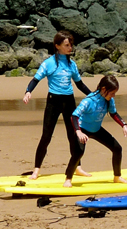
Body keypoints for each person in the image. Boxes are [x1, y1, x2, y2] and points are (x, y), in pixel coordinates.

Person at [23, 31, 92, 180]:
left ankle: (78, 167)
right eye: (67, 45)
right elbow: (35, 79)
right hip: (53, 102)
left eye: (71, 45)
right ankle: (36, 170)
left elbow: (79, 84)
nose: (70, 48)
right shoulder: (49, 63)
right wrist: (28, 91)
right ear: (57, 46)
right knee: (46, 136)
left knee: (73, 135)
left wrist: (93, 95)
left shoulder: (71, 64)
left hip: (69, 102)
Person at [64, 75, 127, 188]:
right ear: (104, 89)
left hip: (96, 129)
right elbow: (74, 116)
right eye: (112, 93)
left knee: (117, 148)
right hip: (82, 129)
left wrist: (124, 125)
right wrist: (78, 132)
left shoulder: (109, 100)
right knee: (78, 153)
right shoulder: (89, 101)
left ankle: (117, 177)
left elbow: (113, 113)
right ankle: (68, 179)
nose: (113, 95)